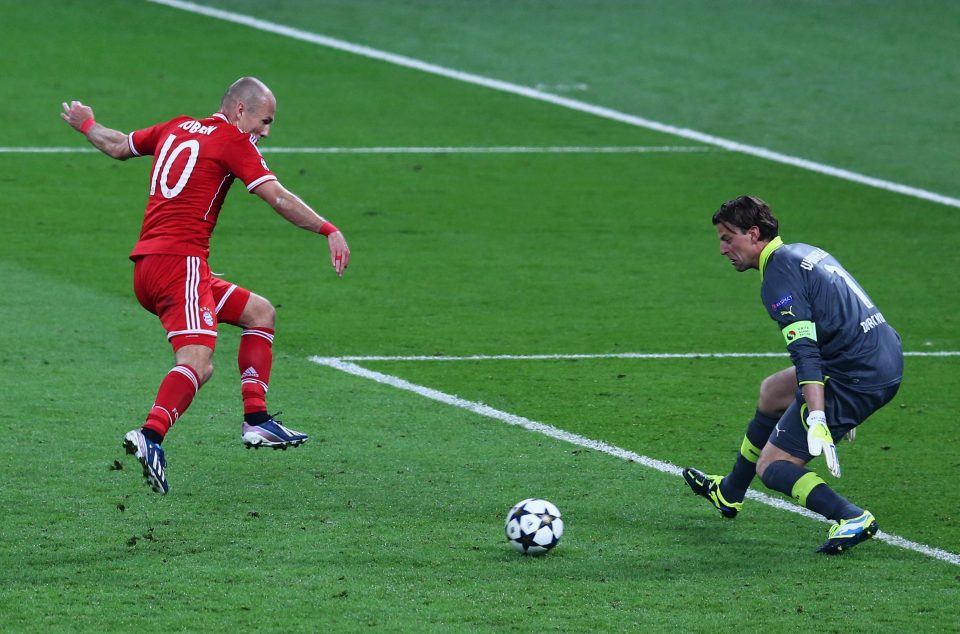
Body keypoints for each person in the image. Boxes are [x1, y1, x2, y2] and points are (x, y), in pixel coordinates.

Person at [61, 77, 350, 495]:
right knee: (198, 361)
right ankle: (151, 434)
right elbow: (278, 197)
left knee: (259, 313)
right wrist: (328, 229)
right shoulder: (234, 142)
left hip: (148, 266)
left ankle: (257, 420)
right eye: (264, 121)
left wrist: (87, 124)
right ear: (239, 111)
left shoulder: (175, 127)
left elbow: (119, 145)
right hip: (182, 265)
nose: (266, 132)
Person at [683, 195, 902, 554]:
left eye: (727, 238)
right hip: (879, 353)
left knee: (773, 465)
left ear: (753, 234)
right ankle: (730, 492)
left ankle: (851, 517)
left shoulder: (777, 280)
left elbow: (805, 354)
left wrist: (819, 414)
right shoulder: (801, 252)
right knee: (772, 392)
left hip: (857, 373)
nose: (723, 249)